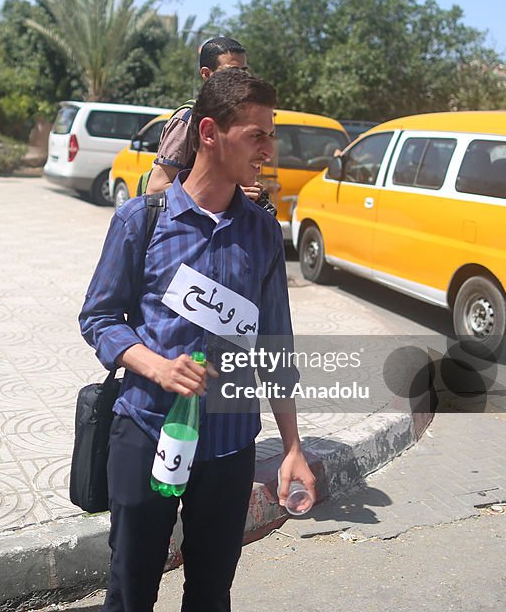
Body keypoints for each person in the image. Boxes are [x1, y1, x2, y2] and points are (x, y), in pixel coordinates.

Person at [80, 69, 315, 612]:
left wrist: (293, 447)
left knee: (211, 593)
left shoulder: (261, 232)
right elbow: (99, 317)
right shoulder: (143, 219)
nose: (268, 149)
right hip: (145, 429)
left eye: (270, 134)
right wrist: (157, 366)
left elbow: (276, 347)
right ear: (210, 132)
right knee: (130, 589)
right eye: (257, 134)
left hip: (230, 443)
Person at [144, 37, 276, 213]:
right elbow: (156, 189)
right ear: (206, 74)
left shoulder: (240, 116)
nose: (241, 78)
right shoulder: (188, 119)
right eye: (233, 72)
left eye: (244, 72)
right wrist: (230, 195)